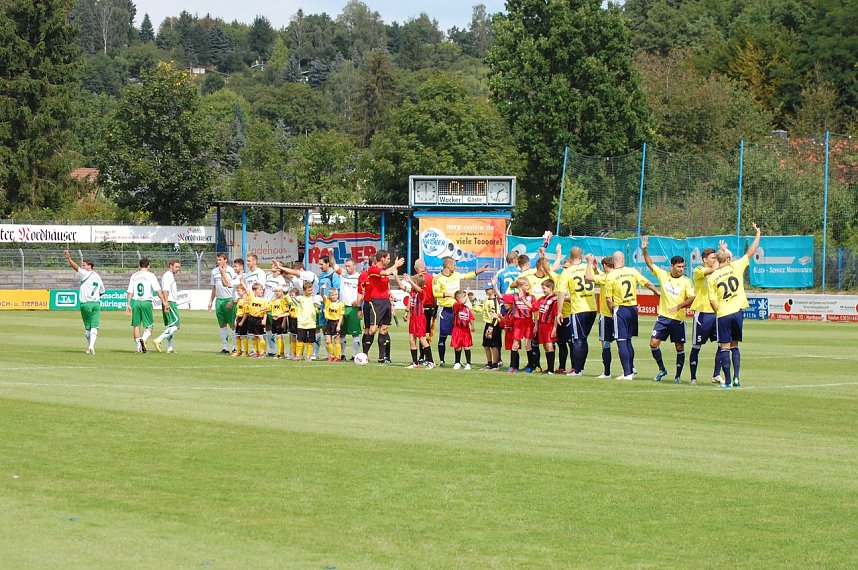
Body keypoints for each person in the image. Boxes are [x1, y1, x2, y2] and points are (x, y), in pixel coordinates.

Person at [708, 223, 762, 388]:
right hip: (738, 312)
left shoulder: (712, 278)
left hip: (724, 313)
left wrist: (719, 311)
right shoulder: (736, 266)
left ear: (717, 260)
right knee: (735, 346)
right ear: (729, 259)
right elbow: (751, 252)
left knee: (724, 347)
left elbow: (712, 301)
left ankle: (728, 382)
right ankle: (737, 378)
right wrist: (758, 234)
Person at [641, 236, 696, 383]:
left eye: (683, 267)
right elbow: (650, 264)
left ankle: (677, 376)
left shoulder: (686, 281)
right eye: (679, 267)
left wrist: (678, 307)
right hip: (663, 317)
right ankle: (662, 369)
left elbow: (691, 298)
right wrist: (644, 249)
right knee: (653, 343)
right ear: (672, 266)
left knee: (679, 347)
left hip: (677, 319)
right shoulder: (663, 275)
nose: (681, 269)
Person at [602, 250, 660, 380]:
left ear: (613, 261)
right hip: (633, 309)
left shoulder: (610, 276)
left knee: (621, 340)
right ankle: (630, 370)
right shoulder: (632, 271)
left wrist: (612, 311)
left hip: (620, 309)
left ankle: (627, 373)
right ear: (623, 261)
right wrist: (656, 291)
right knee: (628, 340)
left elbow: (608, 299)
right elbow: (647, 283)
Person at [433, 257, 489, 366]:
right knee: (443, 336)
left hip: (458, 310)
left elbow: (467, 275)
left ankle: (458, 361)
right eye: (454, 265)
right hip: (446, 310)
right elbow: (435, 293)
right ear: (448, 266)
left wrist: (480, 270)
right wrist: (448, 294)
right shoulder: (438, 278)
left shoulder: (456, 275)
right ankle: (442, 361)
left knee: (458, 335)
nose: (456, 267)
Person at [556, 247, 599, 377]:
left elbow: (561, 293)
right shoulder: (589, 267)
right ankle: (581, 368)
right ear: (582, 256)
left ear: (570, 257)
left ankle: (577, 370)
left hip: (578, 309)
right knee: (583, 339)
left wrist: (559, 311)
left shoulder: (567, 272)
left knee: (578, 340)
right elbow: (600, 279)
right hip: (592, 308)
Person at [689, 245, 724, 385]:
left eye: (716, 257)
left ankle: (716, 374)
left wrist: (723, 253)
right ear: (704, 259)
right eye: (712, 258)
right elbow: (713, 269)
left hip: (716, 313)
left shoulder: (717, 271)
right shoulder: (698, 270)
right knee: (696, 347)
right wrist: (720, 257)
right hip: (702, 314)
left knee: (723, 344)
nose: (715, 260)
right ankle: (693, 377)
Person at [362, 250, 406, 363]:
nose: (389, 260)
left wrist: (390, 298)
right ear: (382, 259)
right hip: (375, 302)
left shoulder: (385, 271)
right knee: (372, 329)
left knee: (384, 329)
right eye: (388, 258)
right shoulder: (373, 269)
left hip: (385, 302)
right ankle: (364, 355)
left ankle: (382, 357)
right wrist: (396, 265)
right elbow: (386, 273)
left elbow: (387, 282)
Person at [63, 249, 105, 355]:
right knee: (94, 326)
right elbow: (102, 291)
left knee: (88, 327)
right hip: (96, 303)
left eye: (84, 265)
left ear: (89, 266)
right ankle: (91, 347)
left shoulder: (85, 273)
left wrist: (69, 258)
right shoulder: (98, 276)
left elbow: (75, 267)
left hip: (86, 304)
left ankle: (89, 347)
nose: (83, 267)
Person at [395, 272, 435, 369]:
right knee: (412, 340)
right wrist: (395, 275)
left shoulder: (422, 292)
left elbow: (419, 289)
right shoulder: (412, 291)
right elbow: (401, 286)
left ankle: (431, 361)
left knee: (422, 339)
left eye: (414, 280)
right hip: (413, 318)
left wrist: (409, 281)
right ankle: (415, 362)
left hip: (420, 318)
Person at [126, 258, 165, 353]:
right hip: (146, 302)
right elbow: (157, 290)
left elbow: (130, 291)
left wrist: (128, 304)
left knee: (136, 325)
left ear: (139, 265)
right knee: (149, 325)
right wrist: (163, 300)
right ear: (148, 266)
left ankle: (139, 347)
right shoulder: (150, 275)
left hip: (136, 302)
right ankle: (143, 339)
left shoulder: (134, 276)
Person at [585, 254, 616, 378]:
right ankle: (630, 368)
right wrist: (596, 268)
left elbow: (588, 277)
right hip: (619, 314)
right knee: (624, 342)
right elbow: (600, 276)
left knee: (605, 343)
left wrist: (589, 263)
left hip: (607, 314)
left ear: (605, 266)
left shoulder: (606, 278)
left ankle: (607, 372)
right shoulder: (615, 275)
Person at [208, 252, 238, 354]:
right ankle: (225, 347)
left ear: (225, 260)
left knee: (232, 324)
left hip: (229, 299)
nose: (218, 261)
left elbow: (235, 287)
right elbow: (214, 287)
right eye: (217, 260)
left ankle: (235, 347)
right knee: (222, 324)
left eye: (220, 259)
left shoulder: (231, 271)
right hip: (219, 300)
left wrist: (232, 300)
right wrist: (211, 301)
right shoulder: (214, 271)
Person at [504, 276, 535, 373]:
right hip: (518, 322)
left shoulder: (531, 297)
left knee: (527, 344)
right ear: (520, 287)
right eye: (526, 285)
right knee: (515, 344)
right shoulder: (514, 296)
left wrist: (524, 300)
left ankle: (530, 366)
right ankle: (512, 366)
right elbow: (502, 296)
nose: (528, 286)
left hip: (528, 321)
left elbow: (532, 307)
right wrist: (495, 286)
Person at [153, 259, 182, 353]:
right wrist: (166, 303)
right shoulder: (168, 276)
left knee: (172, 325)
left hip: (169, 302)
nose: (178, 269)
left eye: (179, 267)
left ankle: (169, 347)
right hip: (170, 302)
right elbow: (165, 290)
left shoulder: (169, 276)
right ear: (171, 266)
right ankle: (158, 340)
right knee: (176, 325)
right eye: (176, 267)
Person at [318, 255, 342, 360]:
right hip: (322, 306)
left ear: (327, 263)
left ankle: (338, 355)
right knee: (324, 329)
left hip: (332, 309)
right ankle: (329, 354)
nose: (320, 266)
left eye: (321, 264)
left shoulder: (334, 275)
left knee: (335, 334)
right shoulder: (321, 276)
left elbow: (336, 290)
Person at [339, 258, 364, 360]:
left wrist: (358, 301)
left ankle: (354, 355)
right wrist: (331, 255)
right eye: (346, 266)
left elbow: (364, 291)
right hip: (342, 307)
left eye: (349, 266)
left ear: (355, 266)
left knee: (355, 333)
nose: (347, 268)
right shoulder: (343, 274)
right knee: (341, 332)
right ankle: (342, 354)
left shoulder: (359, 277)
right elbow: (333, 264)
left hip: (353, 308)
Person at [533, 279, 559, 374]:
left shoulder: (554, 300)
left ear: (550, 288)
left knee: (549, 346)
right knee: (545, 346)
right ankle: (548, 368)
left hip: (549, 325)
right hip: (542, 325)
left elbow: (556, 315)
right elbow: (534, 308)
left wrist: (555, 328)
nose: (543, 290)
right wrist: (536, 324)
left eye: (544, 288)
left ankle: (551, 369)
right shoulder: (542, 299)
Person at [413, 259, 437, 361]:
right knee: (425, 332)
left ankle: (423, 356)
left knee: (420, 333)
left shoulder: (417, 279)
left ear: (416, 268)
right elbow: (435, 295)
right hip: (430, 307)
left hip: (419, 309)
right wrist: (435, 308)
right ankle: (425, 356)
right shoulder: (432, 278)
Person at [263, 264, 288, 357]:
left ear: (279, 269)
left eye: (276, 265)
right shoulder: (268, 276)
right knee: (268, 328)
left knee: (278, 331)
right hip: (268, 305)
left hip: (276, 307)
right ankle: (272, 350)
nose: (273, 266)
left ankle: (280, 352)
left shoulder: (281, 279)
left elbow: (282, 292)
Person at [294, 282, 321, 361]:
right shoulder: (300, 298)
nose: (310, 292)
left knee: (310, 340)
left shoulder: (314, 299)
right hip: (301, 323)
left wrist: (318, 307)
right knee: (300, 339)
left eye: (311, 290)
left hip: (311, 323)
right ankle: (298, 355)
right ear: (304, 290)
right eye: (309, 290)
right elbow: (291, 302)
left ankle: (308, 356)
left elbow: (318, 311)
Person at [450, 290, 476, 370]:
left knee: (467, 346)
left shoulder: (467, 308)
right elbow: (461, 302)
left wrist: (472, 326)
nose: (466, 298)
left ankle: (468, 363)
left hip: (466, 330)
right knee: (457, 346)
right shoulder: (456, 305)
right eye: (463, 296)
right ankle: (457, 362)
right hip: (457, 329)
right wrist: (467, 294)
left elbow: (471, 317)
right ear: (458, 298)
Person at [480, 281, 502, 370]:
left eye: (487, 289)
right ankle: (489, 363)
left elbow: (496, 314)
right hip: (487, 323)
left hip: (494, 324)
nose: (485, 291)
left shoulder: (495, 300)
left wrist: (492, 326)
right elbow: (480, 308)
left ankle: (495, 364)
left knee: (494, 345)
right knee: (486, 345)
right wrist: (473, 302)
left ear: (492, 290)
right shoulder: (486, 300)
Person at [247, 282, 270, 358]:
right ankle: (255, 352)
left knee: (260, 336)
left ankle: (263, 353)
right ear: (254, 290)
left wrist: (264, 319)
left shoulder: (264, 300)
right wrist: (240, 280)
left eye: (262, 289)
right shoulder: (252, 298)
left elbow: (266, 310)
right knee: (253, 336)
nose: (261, 291)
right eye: (259, 289)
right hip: (251, 318)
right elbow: (246, 289)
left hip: (259, 319)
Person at [323, 288, 345, 362]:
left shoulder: (340, 304)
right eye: (333, 295)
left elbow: (341, 315)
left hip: (336, 322)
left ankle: (338, 356)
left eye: (336, 294)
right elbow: (322, 295)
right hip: (329, 322)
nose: (335, 296)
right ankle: (332, 355)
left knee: (336, 340)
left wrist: (339, 325)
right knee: (328, 341)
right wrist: (322, 289)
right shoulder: (328, 301)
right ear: (329, 296)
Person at [269, 287, 289, 358]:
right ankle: (281, 353)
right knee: (277, 336)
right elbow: (268, 307)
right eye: (276, 291)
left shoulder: (283, 300)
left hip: (280, 319)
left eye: (279, 291)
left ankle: (280, 353)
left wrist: (284, 322)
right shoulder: (273, 300)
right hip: (274, 319)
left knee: (279, 336)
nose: (277, 293)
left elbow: (286, 311)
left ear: (282, 292)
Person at [232, 283, 250, 357]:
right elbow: (238, 311)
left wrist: (242, 321)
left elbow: (246, 312)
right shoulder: (239, 300)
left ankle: (245, 352)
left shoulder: (246, 300)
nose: (238, 292)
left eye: (239, 291)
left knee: (243, 336)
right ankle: (239, 351)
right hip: (239, 318)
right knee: (237, 335)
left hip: (244, 319)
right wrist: (236, 320)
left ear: (244, 291)